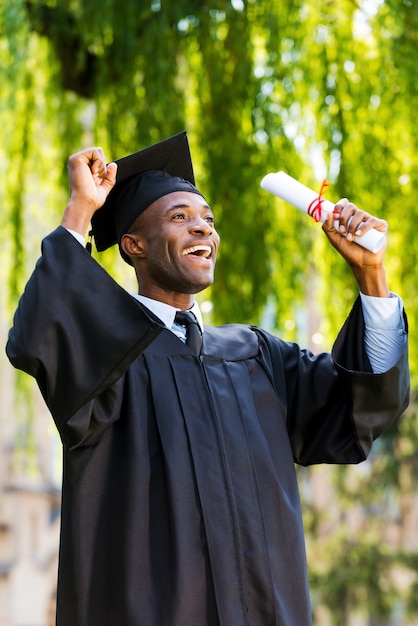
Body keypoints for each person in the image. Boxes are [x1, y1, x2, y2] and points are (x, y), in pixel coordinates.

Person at [6, 132, 409, 626]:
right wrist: (81, 210)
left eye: (208, 220)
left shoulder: (255, 356)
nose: (202, 229)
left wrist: (372, 275)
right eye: (179, 218)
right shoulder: (106, 359)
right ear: (133, 245)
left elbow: (360, 405)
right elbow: (40, 329)